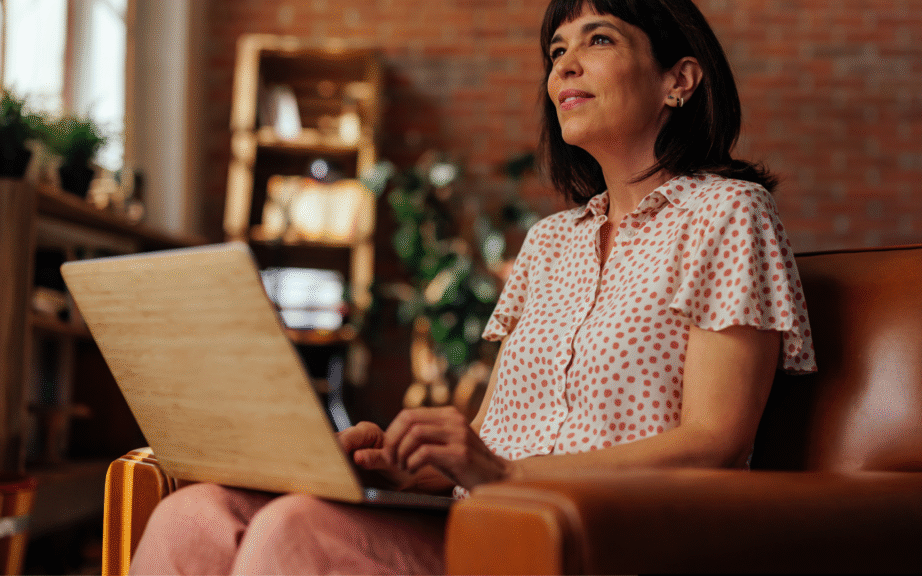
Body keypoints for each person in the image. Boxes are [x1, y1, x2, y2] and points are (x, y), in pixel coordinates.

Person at [130, 0, 816, 573]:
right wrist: (410, 467)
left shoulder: (728, 213)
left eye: (597, 39)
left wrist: (507, 477)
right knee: (196, 514)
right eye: (555, 51)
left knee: (297, 534)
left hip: (607, 537)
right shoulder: (550, 243)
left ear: (680, 79)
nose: (564, 65)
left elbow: (716, 440)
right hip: (489, 524)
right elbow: (493, 441)